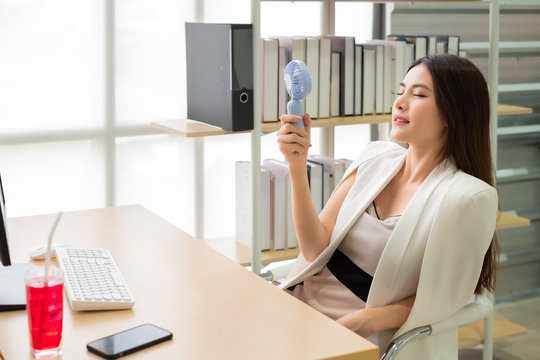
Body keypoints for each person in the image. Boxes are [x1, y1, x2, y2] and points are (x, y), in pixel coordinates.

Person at [276, 54, 499, 359]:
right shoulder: (374, 158)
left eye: (418, 95)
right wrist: (296, 165)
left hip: (353, 336)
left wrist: (368, 319)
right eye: (400, 91)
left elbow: (444, 299)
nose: (401, 103)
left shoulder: (466, 198)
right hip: (297, 309)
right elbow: (314, 249)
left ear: (452, 113)